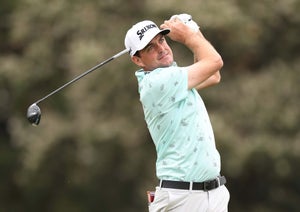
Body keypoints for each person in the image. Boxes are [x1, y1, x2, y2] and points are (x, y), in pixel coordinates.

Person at [124, 15, 230, 212]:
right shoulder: (158, 83)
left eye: (162, 40)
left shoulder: (174, 79)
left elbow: (213, 76)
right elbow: (215, 62)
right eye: (150, 48)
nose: (162, 48)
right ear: (137, 60)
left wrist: (194, 30)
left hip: (212, 195)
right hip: (183, 199)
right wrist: (189, 36)